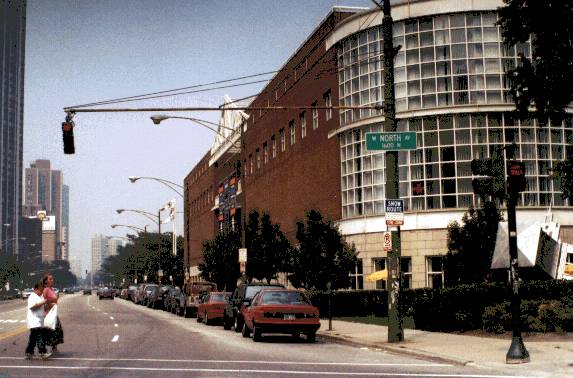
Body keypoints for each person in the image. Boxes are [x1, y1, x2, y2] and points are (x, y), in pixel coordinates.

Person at [25, 282, 50, 360]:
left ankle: (29, 352)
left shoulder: (41, 296)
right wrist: (43, 302)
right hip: (34, 320)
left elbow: (43, 307)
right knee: (40, 337)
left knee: (33, 338)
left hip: (40, 320)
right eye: (40, 290)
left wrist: (47, 309)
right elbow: (32, 307)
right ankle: (43, 352)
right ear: (35, 289)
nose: (42, 291)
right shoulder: (32, 297)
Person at [42, 273, 64, 353]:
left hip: (53, 313)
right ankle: (42, 350)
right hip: (48, 314)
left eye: (52, 279)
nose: (52, 280)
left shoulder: (51, 289)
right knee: (49, 332)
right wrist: (50, 304)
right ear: (46, 281)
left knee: (56, 331)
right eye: (50, 279)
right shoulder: (46, 290)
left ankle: (54, 348)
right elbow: (43, 302)